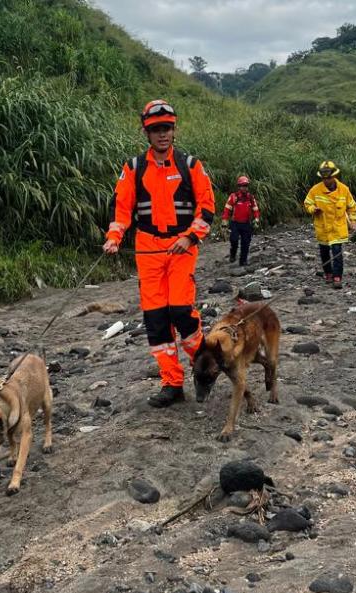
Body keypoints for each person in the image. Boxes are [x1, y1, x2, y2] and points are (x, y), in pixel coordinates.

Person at [102, 99, 216, 407]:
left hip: (181, 247)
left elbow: (206, 207)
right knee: (155, 319)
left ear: (173, 130)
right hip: (148, 249)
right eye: (155, 130)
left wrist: (191, 237)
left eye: (166, 128)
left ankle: (206, 362)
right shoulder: (134, 168)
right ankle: (172, 383)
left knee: (180, 310)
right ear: (147, 133)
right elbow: (122, 209)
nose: (162, 134)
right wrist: (114, 237)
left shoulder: (190, 165)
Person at [303, 161, 356, 289]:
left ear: (334, 176)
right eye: (324, 178)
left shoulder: (344, 190)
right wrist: (313, 209)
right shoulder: (316, 190)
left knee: (337, 252)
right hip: (323, 229)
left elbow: (352, 206)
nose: (326, 180)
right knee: (324, 253)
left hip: (338, 228)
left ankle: (337, 276)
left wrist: (353, 220)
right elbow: (307, 203)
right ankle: (328, 273)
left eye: (328, 178)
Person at [222, 175, 260, 266]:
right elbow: (227, 210)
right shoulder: (233, 197)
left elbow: (256, 210)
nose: (244, 188)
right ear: (239, 186)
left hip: (246, 223)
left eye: (246, 186)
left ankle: (243, 261)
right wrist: (224, 222)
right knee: (234, 240)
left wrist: (256, 220)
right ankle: (233, 254)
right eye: (243, 186)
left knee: (245, 243)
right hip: (235, 223)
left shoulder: (251, 198)